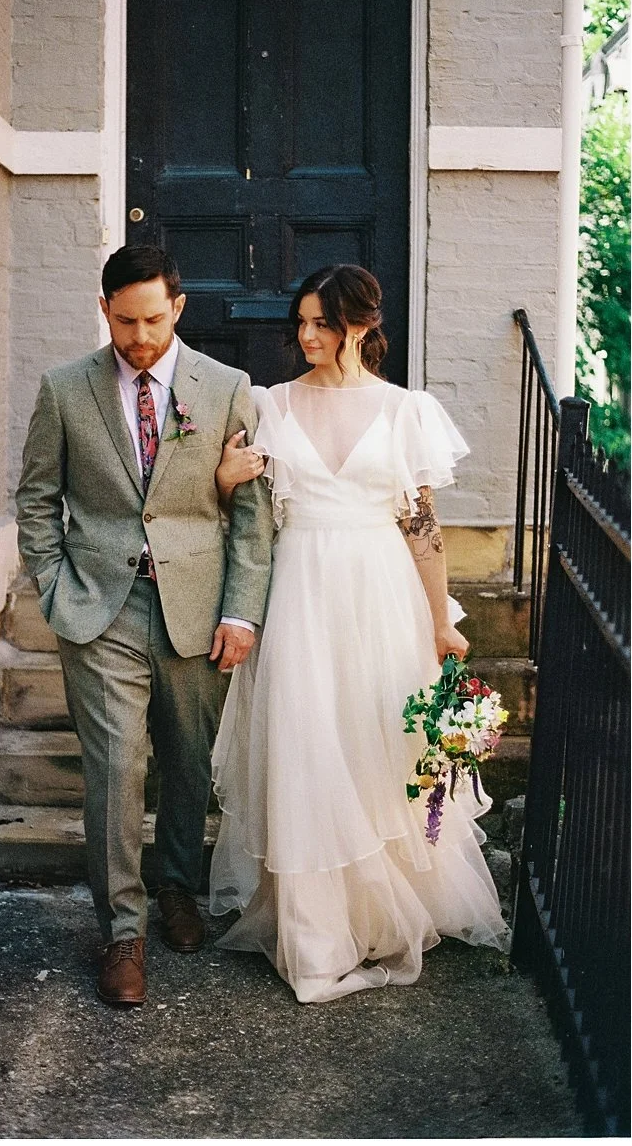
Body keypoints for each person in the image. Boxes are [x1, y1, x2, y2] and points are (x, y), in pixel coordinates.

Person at [209, 264, 510, 1003]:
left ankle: (380, 915)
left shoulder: (406, 411)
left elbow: (424, 527)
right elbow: (240, 513)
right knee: (308, 748)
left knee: (378, 749)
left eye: (322, 323)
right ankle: (315, 938)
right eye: (302, 323)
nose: (307, 336)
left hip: (382, 596)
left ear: (363, 325)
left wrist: (443, 620)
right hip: (302, 593)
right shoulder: (270, 404)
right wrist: (222, 477)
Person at [16, 245, 273, 1006]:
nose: (139, 336)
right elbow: (36, 500)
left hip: (196, 604)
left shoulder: (226, 390)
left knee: (190, 761)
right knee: (118, 767)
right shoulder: (65, 390)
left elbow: (253, 513)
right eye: (124, 320)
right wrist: (57, 588)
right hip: (101, 607)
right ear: (105, 310)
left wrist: (241, 609)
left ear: (180, 307)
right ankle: (121, 932)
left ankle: (178, 890)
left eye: (153, 319)